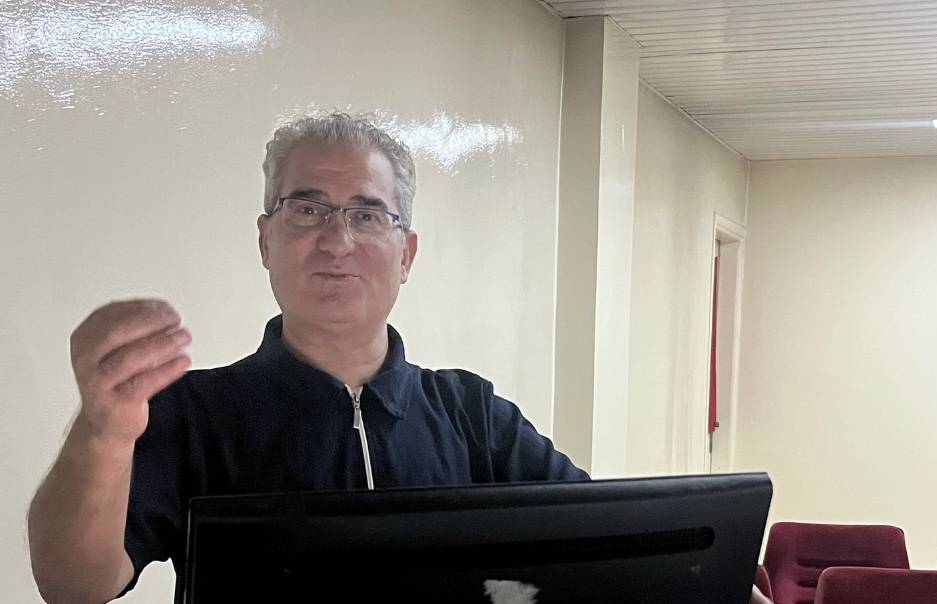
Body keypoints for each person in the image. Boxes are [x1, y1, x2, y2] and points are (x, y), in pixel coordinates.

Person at [27, 112, 587, 603]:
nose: (337, 241)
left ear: (406, 255)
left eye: (367, 215)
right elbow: (74, 586)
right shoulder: (192, 414)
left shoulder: (473, 415)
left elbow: (599, 544)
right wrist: (101, 434)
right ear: (265, 241)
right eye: (308, 209)